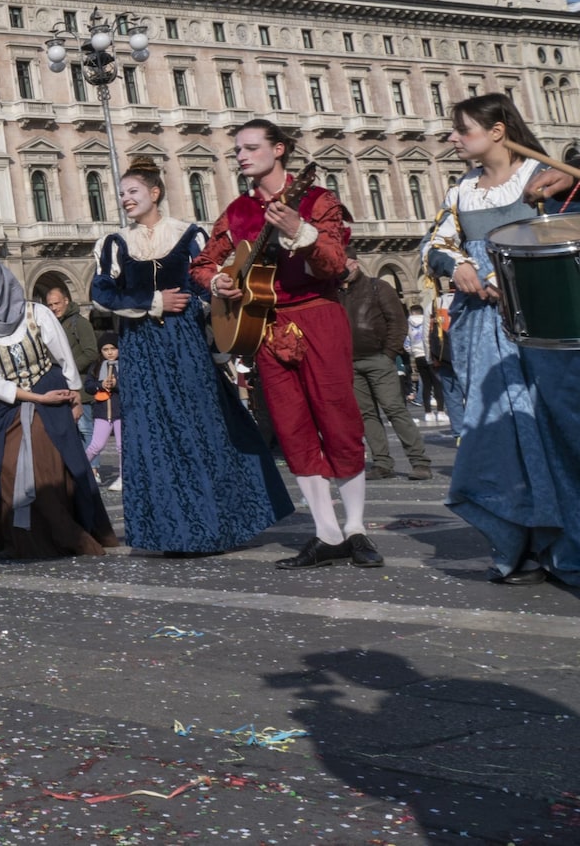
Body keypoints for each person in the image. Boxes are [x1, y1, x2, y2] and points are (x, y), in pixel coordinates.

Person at [195, 120, 376, 570]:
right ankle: (326, 532)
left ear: (279, 150)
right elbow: (202, 264)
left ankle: (356, 528)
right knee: (292, 428)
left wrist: (301, 230)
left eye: (250, 148)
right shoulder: (236, 211)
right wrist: (218, 280)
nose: (241, 156)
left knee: (338, 417)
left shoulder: (317, 200)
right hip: (264, 327)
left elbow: (334, 262)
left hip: (317, 316)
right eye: (238, 149)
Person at [420, 93, 580, 586]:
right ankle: (521, 542)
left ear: (496, 131)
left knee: (553, 426)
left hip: (537, 322)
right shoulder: (461, 190)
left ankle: (567, 543)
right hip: (483, 329)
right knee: (498, 434)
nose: (452, 138)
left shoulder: (543, 178)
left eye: (462, 130)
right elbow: (434, 244)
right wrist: (459, 264)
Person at [91, 167, 293, 555]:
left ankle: (216, 524)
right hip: (141, 348)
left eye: (133, 190)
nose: (125, 198)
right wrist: (153, 303)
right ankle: (169, 531)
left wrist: (218, 329)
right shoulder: (115, 244)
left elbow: (209, 286)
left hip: (185, 345)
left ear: (155, 192)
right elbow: (101, 294)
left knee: (200, 427)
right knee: (153, 435)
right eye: (121, 193)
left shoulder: (189, 235)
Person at [0, 254, 118, 559]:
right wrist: (36, 398)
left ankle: (67, 531)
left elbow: (63, 356)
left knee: (51, 462)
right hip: (7, 402)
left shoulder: (36, 313)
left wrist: (72, 394)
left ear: (0, 280)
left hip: (50, 387)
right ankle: (16, 535)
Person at [337, 257, 428, 481]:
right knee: (366, 414)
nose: (341, 267)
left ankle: (419, 461)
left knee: (394, 409)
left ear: (355, 262)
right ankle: (382, 463)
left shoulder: (378, 286)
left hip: (378, 358)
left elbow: (397, 321)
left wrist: (389, 354)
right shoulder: (335, 292)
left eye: (345, 262)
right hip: (351, 362)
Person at [40, 284, 102, 453]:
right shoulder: (51, 325)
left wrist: (69, 369)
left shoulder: (79, 323)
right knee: (69, 430)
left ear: (66, 301)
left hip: (80, 386)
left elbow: (91, 353)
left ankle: (93, 468)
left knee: (85, 428)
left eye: (57, 303)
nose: (53, 308)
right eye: (50, 305)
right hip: (59, 386)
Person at [85, 339, 124, 490]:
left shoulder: (124, 366)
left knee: (121, 447)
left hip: (120, 412)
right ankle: (78, 470)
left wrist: (116, 385)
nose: (109, 352)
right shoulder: (96, 367)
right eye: (105, 349)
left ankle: (122, 478)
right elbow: (88, 386)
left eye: (113, 348)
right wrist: (100, 385)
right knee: (96, 445)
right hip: (102, 412)